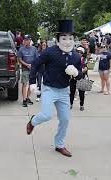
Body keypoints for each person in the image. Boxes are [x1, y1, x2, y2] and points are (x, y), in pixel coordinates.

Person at [27, 19, 83, 157]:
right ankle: (33, 121)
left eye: (70, 38)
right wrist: (32, 82)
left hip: (64, 91)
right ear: (58, 39)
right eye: (64, 37)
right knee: (46, 115)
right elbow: (35, 64)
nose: (67, 41)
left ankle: (59, 145)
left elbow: (80, 75)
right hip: (49, 88)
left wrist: (76, 73)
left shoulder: (76, 56)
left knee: (65, 119)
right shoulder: (49, 52)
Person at [17, 34, 39, 107]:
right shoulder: (21, 49)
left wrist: (32, 65)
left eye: (27, 40)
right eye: (25, 40)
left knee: (31, 84)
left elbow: (37, 59)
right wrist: (26, 65)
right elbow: (19, 59)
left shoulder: (34, 49)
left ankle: (27, 98)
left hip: (33, 69)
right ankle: (24, 100)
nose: (25, 41)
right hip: (25, 69)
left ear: (30, 40)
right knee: (24, 84)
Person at [70, 47, 87, 111]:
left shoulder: (84, 59)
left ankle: (81, 105)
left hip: (81, 77)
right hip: (73, 77)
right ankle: (70, 104)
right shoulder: (72, 59)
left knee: (81, 93)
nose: (79, 53)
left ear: (82, 53)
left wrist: (83, 70)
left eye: (80, 52)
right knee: (72, 92)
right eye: (78, 52)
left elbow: (85, 68)